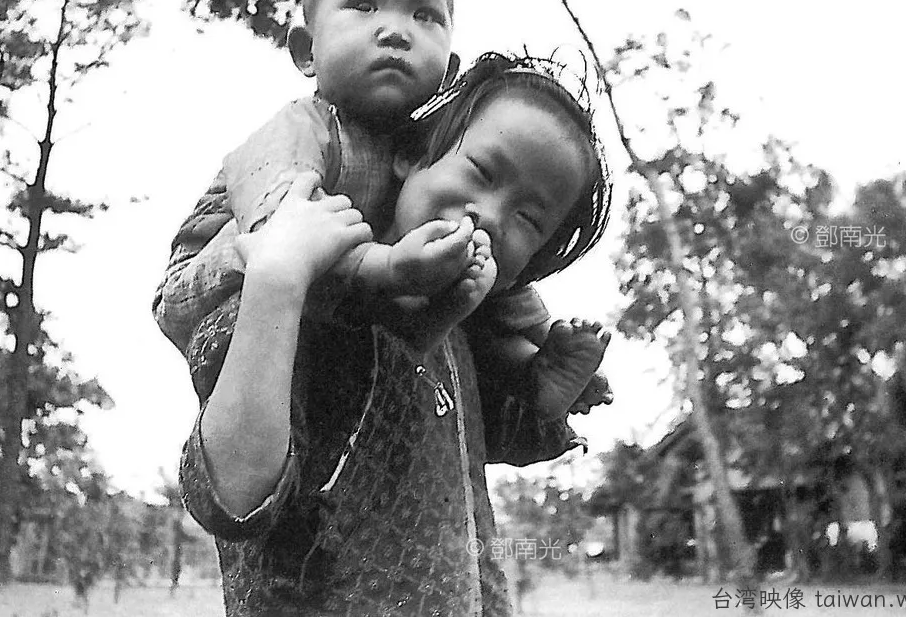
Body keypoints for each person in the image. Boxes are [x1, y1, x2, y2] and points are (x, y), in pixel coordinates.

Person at [179, 53, 613, 615]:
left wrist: (539, 390)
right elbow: (233, 496)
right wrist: (278, 279)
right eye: (481, 173)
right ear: (412, 155)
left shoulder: (462, 335)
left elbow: (486, 438)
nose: (490, 214)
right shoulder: (307, 292)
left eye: (529, 220)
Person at [153, 0, 611, 414]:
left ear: (448, 75)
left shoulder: (432, 157)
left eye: (424, 15)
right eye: (364, 5)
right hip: (224, 278)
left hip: (344, 297)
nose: (396, 31)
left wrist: (545, 332)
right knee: (324, 241)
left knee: (473, 270)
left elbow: (501, 284)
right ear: (307, 51)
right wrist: (389, 269)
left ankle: (532, 373)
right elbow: (280, 230)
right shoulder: (303, 127)